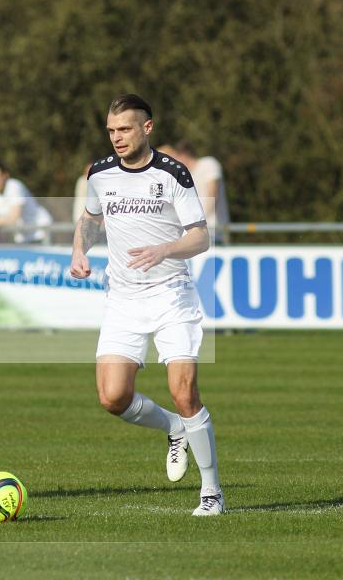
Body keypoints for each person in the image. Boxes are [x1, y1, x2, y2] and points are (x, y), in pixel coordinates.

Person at [70, 94, 223, 516]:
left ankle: (211, 492)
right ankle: (174, 429)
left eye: (125, 129)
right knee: (113, 397)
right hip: (122, 298)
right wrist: (78, 250)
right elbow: (91, 219)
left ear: (147, 128)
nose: (117, 138)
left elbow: (200, 236)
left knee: (184, 390)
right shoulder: (100, 174)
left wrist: (166, 249)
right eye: (111, 131)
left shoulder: (174, 173)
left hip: (172, 293)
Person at [0, 161, 53, 244]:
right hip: (21, 236)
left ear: (5, 175)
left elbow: (13, 218)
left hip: (40, 233)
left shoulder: (14, 186)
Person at [174, 140, 230, 244]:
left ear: (182, 155)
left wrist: (199, 223)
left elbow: (213, 193)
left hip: (213, 232)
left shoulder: (208, 164)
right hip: (194, 236)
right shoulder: (186, 176)